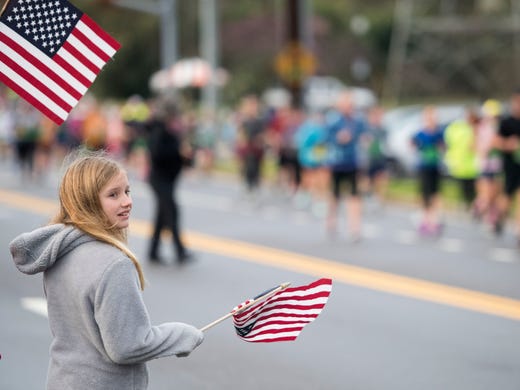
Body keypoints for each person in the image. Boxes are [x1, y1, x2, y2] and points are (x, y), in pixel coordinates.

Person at [9, 151, 204, 390]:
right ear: (88, 202)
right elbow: (127, 346)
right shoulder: (114, 264)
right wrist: (182, 335)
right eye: (113, 195)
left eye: (127, 191)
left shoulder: (59, 252)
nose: (127, 201)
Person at [145, 99, 194, 264]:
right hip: (160, 179)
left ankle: (153, 251)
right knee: (171, 212)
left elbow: (181, 157)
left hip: (169, 180)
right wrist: (178, 152)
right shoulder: (159, 129)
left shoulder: (173, 131)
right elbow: (157, 155)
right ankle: (180, 251)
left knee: (161, 216)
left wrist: (186, 156)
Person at [325, 92, 366, 241]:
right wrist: (338, 138)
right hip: (337, 161)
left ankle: (354, 227)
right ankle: (332, 221)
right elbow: (326, 137)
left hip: (352, 161)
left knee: (354, 194)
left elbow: (364, 135)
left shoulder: (357, 121)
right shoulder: (333, 120)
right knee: (335, 194)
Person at [411, 106, 445, 236]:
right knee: (425, 193)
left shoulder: (439, 133)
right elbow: (412, 144)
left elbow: (444, 146)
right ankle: (424, 219)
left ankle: (435, 219)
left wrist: (440, 147)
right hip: (424, 166)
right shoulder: (420, 133)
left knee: (435, 193)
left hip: (435, 166)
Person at [443, 109, 480, 211]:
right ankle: (469, 205)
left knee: (470, 187)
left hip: (468, 164)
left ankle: (471, 205)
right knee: (466, 187)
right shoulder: (463, 128)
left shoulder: (457, 128)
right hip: (464, 164)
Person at [496, 90, 520, 241]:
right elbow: (495, 142)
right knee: (508, 196)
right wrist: (508, 144)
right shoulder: (506, 122)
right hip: (511, 164)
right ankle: (500, 217)